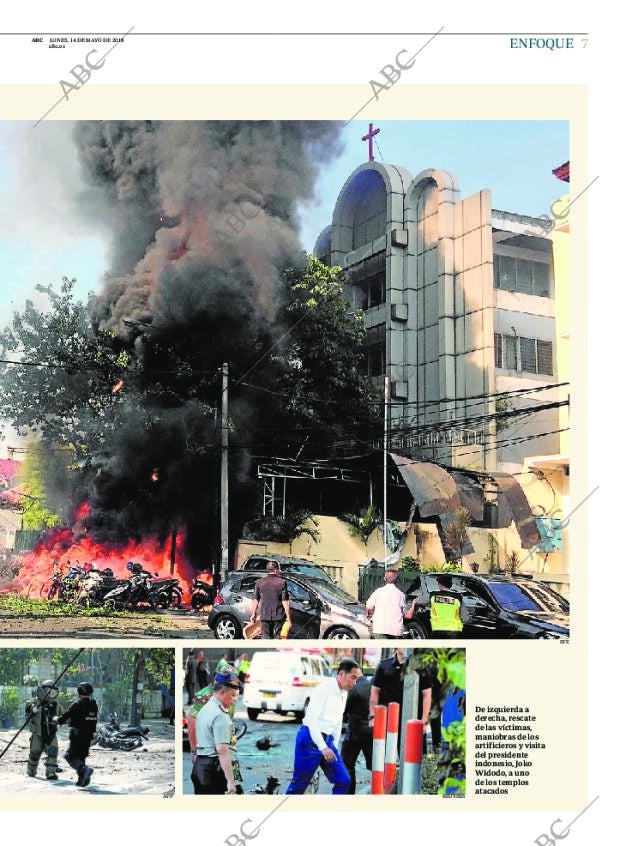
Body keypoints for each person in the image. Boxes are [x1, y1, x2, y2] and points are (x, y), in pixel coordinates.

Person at [285, 658, 362, 795]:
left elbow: (338, 720)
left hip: (328, 741)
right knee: (299, 784)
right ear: (341, 674)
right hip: (310, 739)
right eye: (353, 678)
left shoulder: (344, 693)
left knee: (343, 780)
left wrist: (334, 745)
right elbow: (311, 720)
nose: (354, 683)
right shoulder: (323, 689)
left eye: (357, 679)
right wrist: (322, 747)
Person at [191, 671, 241, 795]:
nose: (235, 700)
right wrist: (231, 781)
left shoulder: (205, 708)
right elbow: (222, 750)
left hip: (200, 766)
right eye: (233, 695)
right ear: (222, 692)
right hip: (215, 770)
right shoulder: (220, 715)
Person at [370, 648, 431, 742]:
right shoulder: (384, 666)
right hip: (388, 719)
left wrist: (424, 720)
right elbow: (375, 692)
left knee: (414, 753)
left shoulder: (420, 667)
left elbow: (427, 694)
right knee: (386, 752)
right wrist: (373, 716)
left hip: (413, 719)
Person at [57, 682, 99, 787]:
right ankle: (82, 780)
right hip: (88, 736)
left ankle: (84, 770)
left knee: (69, 756)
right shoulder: (94, 705)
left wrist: (56, 721)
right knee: (81, 757)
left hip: (77, 735)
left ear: (79, 692)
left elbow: (65, 717)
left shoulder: (77, 705)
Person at [340, 672, 373, 794]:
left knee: (348, 764)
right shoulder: (371, 685)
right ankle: (380, 790)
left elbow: (344, 709)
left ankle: (349, 795)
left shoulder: (354, 688)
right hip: (373, 733)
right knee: (375, 766)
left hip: (355, 732)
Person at [25, 679, 60, 780]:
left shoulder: (56, 704)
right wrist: (32, 708)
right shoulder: (35, 701)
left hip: (51, 733)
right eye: (50, 690)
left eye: (54, 691)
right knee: (35, 752)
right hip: (37, 733)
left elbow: (64, 715)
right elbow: (28, 706)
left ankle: (50, 773)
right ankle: (31, 769)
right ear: (43, 690)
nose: (52, 692)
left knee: (53, 750)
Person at [365, 569, 414, 638]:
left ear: (384, 579)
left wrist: (369, 614)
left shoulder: (378, 592)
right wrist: (413, 605)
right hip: (396, 631)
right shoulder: (401, 595)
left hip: (379, 628)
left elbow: (369, 606)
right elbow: (406, 615)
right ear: (397, 580)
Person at [249, 561, 292, 639]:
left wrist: (253, 614)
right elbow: (285, 601)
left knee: (265, 638)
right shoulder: (282, 582)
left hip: (265, 615)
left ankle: (266, 650)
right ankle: (275, 650)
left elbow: (255, 600)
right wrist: (288, 616)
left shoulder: (259, 582)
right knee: (278, 638)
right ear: (275, 570)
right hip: (278, 616)